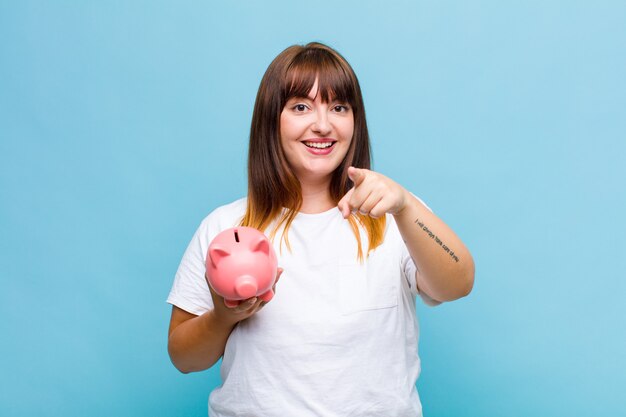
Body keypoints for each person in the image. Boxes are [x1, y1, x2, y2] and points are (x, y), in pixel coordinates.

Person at [167, 42, 474, 417]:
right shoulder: (226, 226)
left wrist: (407, 206)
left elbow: (458, 283)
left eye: (339, 108)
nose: (323, 125)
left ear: (355, 122)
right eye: (300, 107)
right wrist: (224, 317)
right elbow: (183, 357)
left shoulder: (393, 215)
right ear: (271, 119)